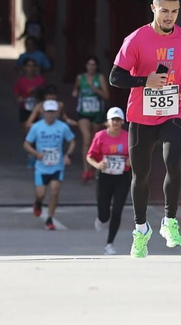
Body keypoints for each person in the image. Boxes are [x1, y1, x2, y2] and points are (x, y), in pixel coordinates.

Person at [108, 0, 181, 257]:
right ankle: (140, 229)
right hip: (142, 115)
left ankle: (170, 221)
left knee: (173, 162)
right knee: (141, 174)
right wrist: (144, 80)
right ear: (153, 8)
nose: (169, 16)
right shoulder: (135, 39)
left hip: (173, 112)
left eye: (174, 11)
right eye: (164, 11)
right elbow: (116, 77)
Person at [24, 100, 77, 231]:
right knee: (41, 194)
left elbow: (72, 142)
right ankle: (38, 203)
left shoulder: (63, 127)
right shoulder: (36, 127)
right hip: (41, 167)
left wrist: (68, 155)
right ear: (43, 112)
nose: (51, 114)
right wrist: (36, 154)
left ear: (57, 113)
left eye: (53, 112)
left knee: (54, 191)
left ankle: (49, 219)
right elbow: (26, 144)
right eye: (48, 112)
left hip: (57, 166)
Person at [86, 107, 132, 255]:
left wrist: (130, 161)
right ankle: (101, 218)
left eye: (118, 120)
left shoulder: (128, 137)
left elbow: (136, 154)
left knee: (117, 210)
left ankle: (109, 243)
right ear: (107, 122)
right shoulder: (100, 136)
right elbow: (90, 156)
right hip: (105, 177)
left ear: (122, 121)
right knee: (104, 211)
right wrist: (97, 165)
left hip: (122, 177)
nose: (116, 123)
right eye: (113, 120)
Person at [71, 55, 109, 180]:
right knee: (86, 138)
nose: (91, 67)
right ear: (86, 66)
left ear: (96, 66)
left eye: (93, 65)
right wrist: (75, 92)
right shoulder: (80, 77)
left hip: (97, 113)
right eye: (89, 64)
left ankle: (93, 166)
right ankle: (86, 169)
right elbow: (75, 90)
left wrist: (95, 89)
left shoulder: (100, 78)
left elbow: (106, 96)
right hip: (83, 113)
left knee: (94, 140)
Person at [15, 57, 48, 126]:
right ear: (24, 68)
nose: (31, 68)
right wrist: (20, 98)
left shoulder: (41, 80)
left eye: (33, 66)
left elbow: (46, 93)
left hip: (39, 109)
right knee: (27, 130)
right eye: (29, 66)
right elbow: (16, 96)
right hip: (25, 109)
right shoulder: (21, 81)